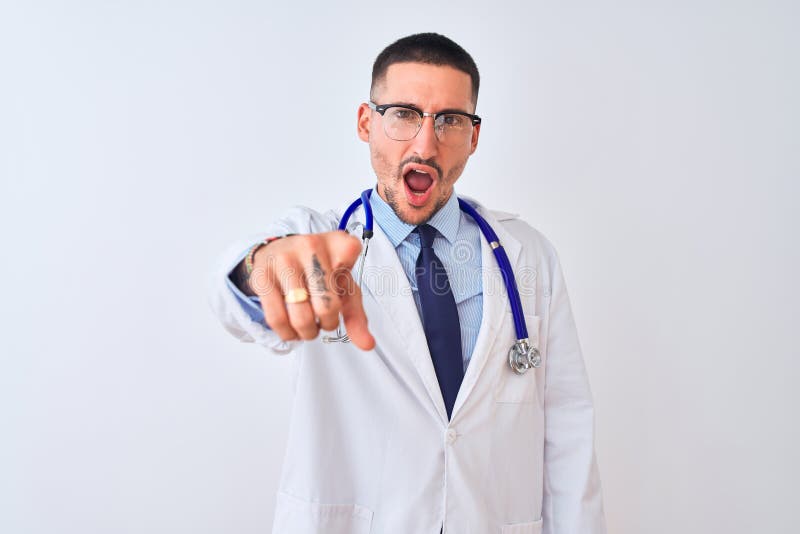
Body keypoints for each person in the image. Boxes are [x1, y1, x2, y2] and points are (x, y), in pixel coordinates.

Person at [209, 33, 606, 534]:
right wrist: (260, 265)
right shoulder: (319, 240)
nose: (426, 143)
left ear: (474, 136)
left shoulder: (528, 257)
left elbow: (567, 432)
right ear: (366, 123)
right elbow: (233, 292)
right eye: (403, 114)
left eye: (450, 120)